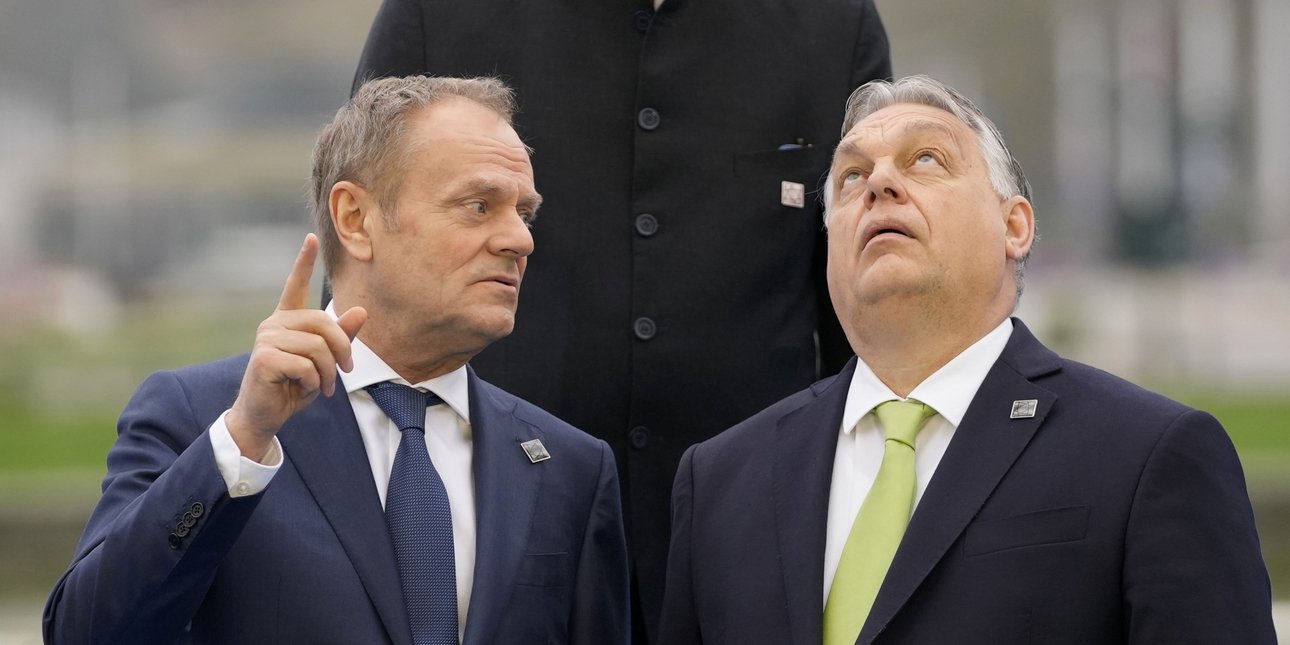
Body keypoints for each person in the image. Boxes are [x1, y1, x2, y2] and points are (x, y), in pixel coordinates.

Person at [656, 75, 1276, 644]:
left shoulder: (1149, 456)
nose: (878, 184)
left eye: (926, 159)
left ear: (1015, 226)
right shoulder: (720, 482)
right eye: (850, 176)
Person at [351, 2, 892, 638]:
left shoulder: (835, 23)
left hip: (756, 533)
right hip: (505, 525)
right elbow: (365, 266)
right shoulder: (434, 13)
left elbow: (870, 303)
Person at [44, 76, 629, 645]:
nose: (520, 240)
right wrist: (245, 438)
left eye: (524, 213)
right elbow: (85, 633)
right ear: (355, 219)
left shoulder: (570, 467)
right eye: (479, 206)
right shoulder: (202, 418)